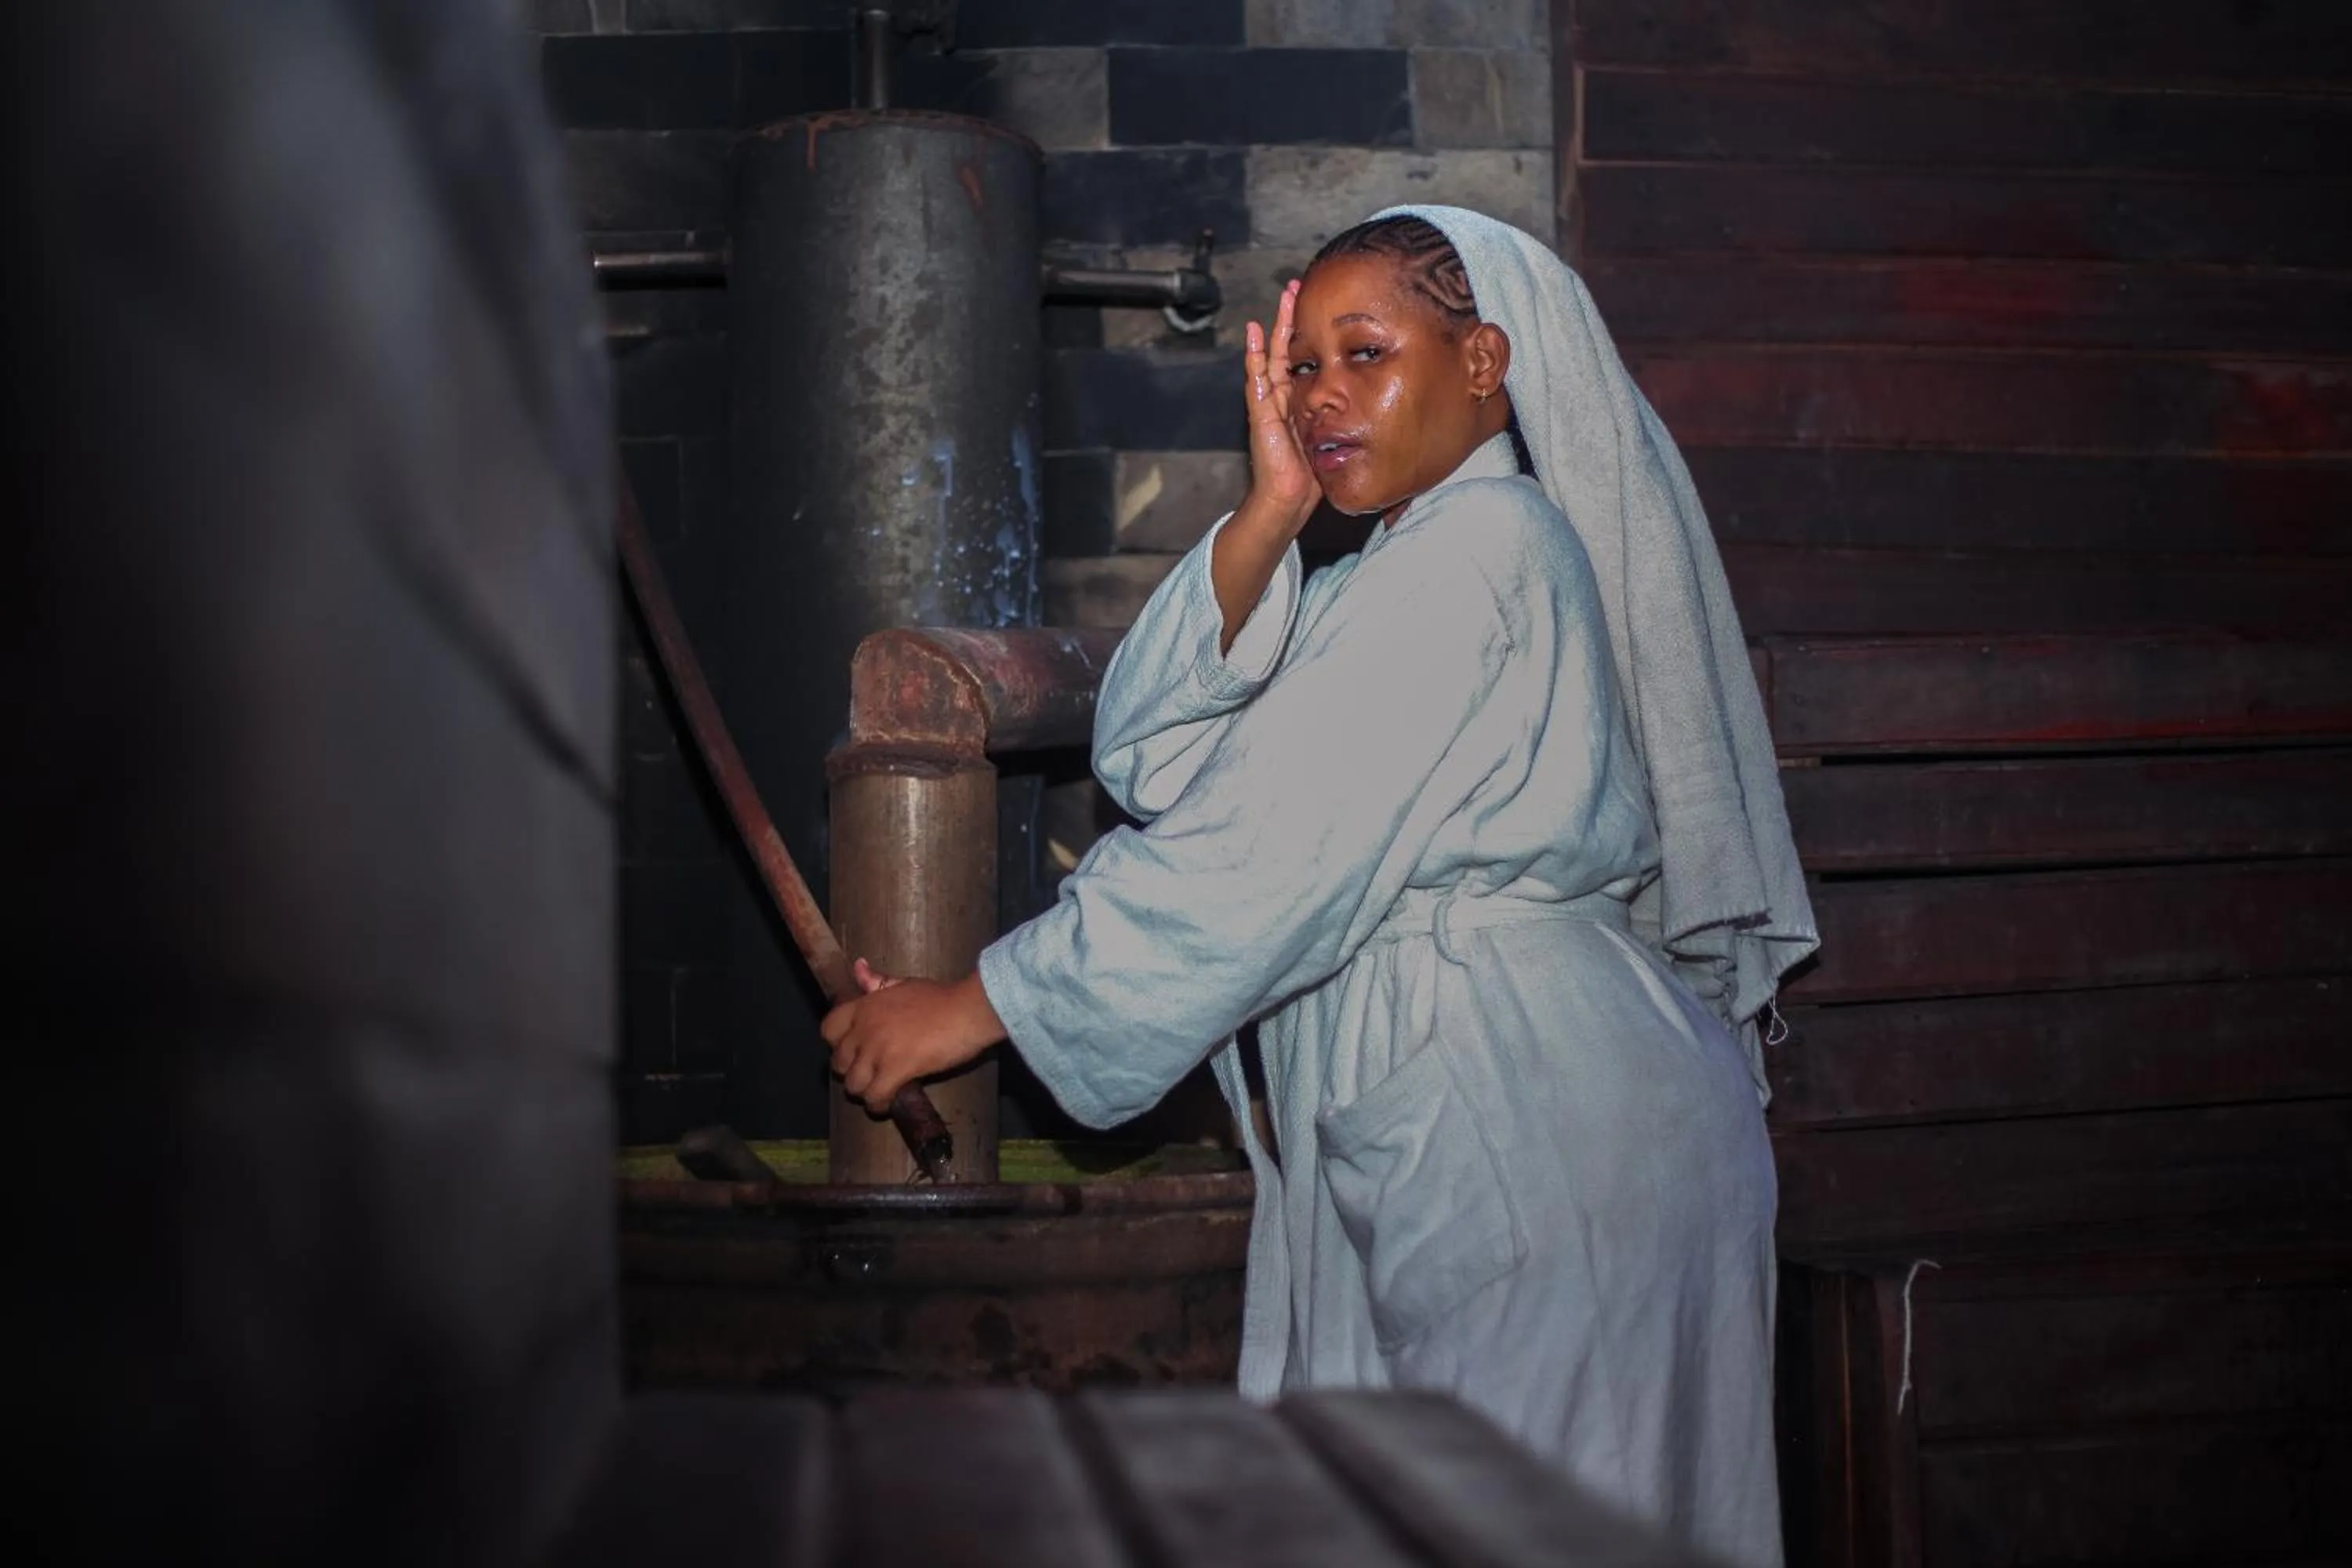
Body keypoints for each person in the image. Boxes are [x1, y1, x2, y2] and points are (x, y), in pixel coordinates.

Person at [822, 207, 1817, 1566]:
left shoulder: (1483, 550)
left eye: (1368, 351)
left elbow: (1262, 844)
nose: (1324, 392)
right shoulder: (1396, 571)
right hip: (1534, 1114)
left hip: (1537, 1122)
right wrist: (1274, 506)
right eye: (1303, 365)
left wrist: (972, 1006)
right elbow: (1160, 753)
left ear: (1485, 366)